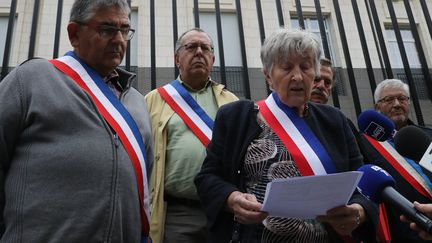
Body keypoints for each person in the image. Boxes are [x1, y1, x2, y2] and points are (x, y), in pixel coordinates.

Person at [195, 28, 377, 243]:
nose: (298, 76)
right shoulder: (236, 117)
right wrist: (231, 198)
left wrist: (359, 211)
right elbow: (207, 178)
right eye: (287, 67)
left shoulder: (335, 120)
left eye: (306, 67)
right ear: (268, 75)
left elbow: (362, 180)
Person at [0, 0, 153, 242]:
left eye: (124, 30)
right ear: (74, 33)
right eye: (107, 30)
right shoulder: (31, 79)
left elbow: (144, 180)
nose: (119, 40)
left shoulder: (137, 101)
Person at [145, 28, 238, 243]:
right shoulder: (153, 100)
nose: (199, 52)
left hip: (224, 210)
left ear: (212, 59)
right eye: (191, 47)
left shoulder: (232, 101)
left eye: (205, 48)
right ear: (177, 58)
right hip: (177, 214)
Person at [356, 79, 432, 243]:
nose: (397, 104)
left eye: (402, 98)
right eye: (389, 100)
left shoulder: (427, 135)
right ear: (377, 107)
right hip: (407, 231)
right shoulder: (362, 144)